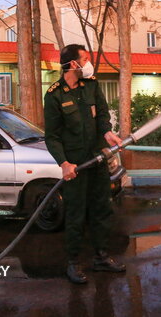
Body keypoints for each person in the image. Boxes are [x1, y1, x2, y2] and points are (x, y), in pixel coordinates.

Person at [43, 44, 126, 284]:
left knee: (102, 209)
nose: (89, 64)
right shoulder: (55, 94)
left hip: (98, 159)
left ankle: (101, 257)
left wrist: (107, 133)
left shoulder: (91, 86)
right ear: (71, 64)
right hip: (76, 166)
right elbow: (53, 136)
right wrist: (64, 163)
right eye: (85, 59)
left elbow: (102, 115)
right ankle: (73, 262)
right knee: (76, 214)